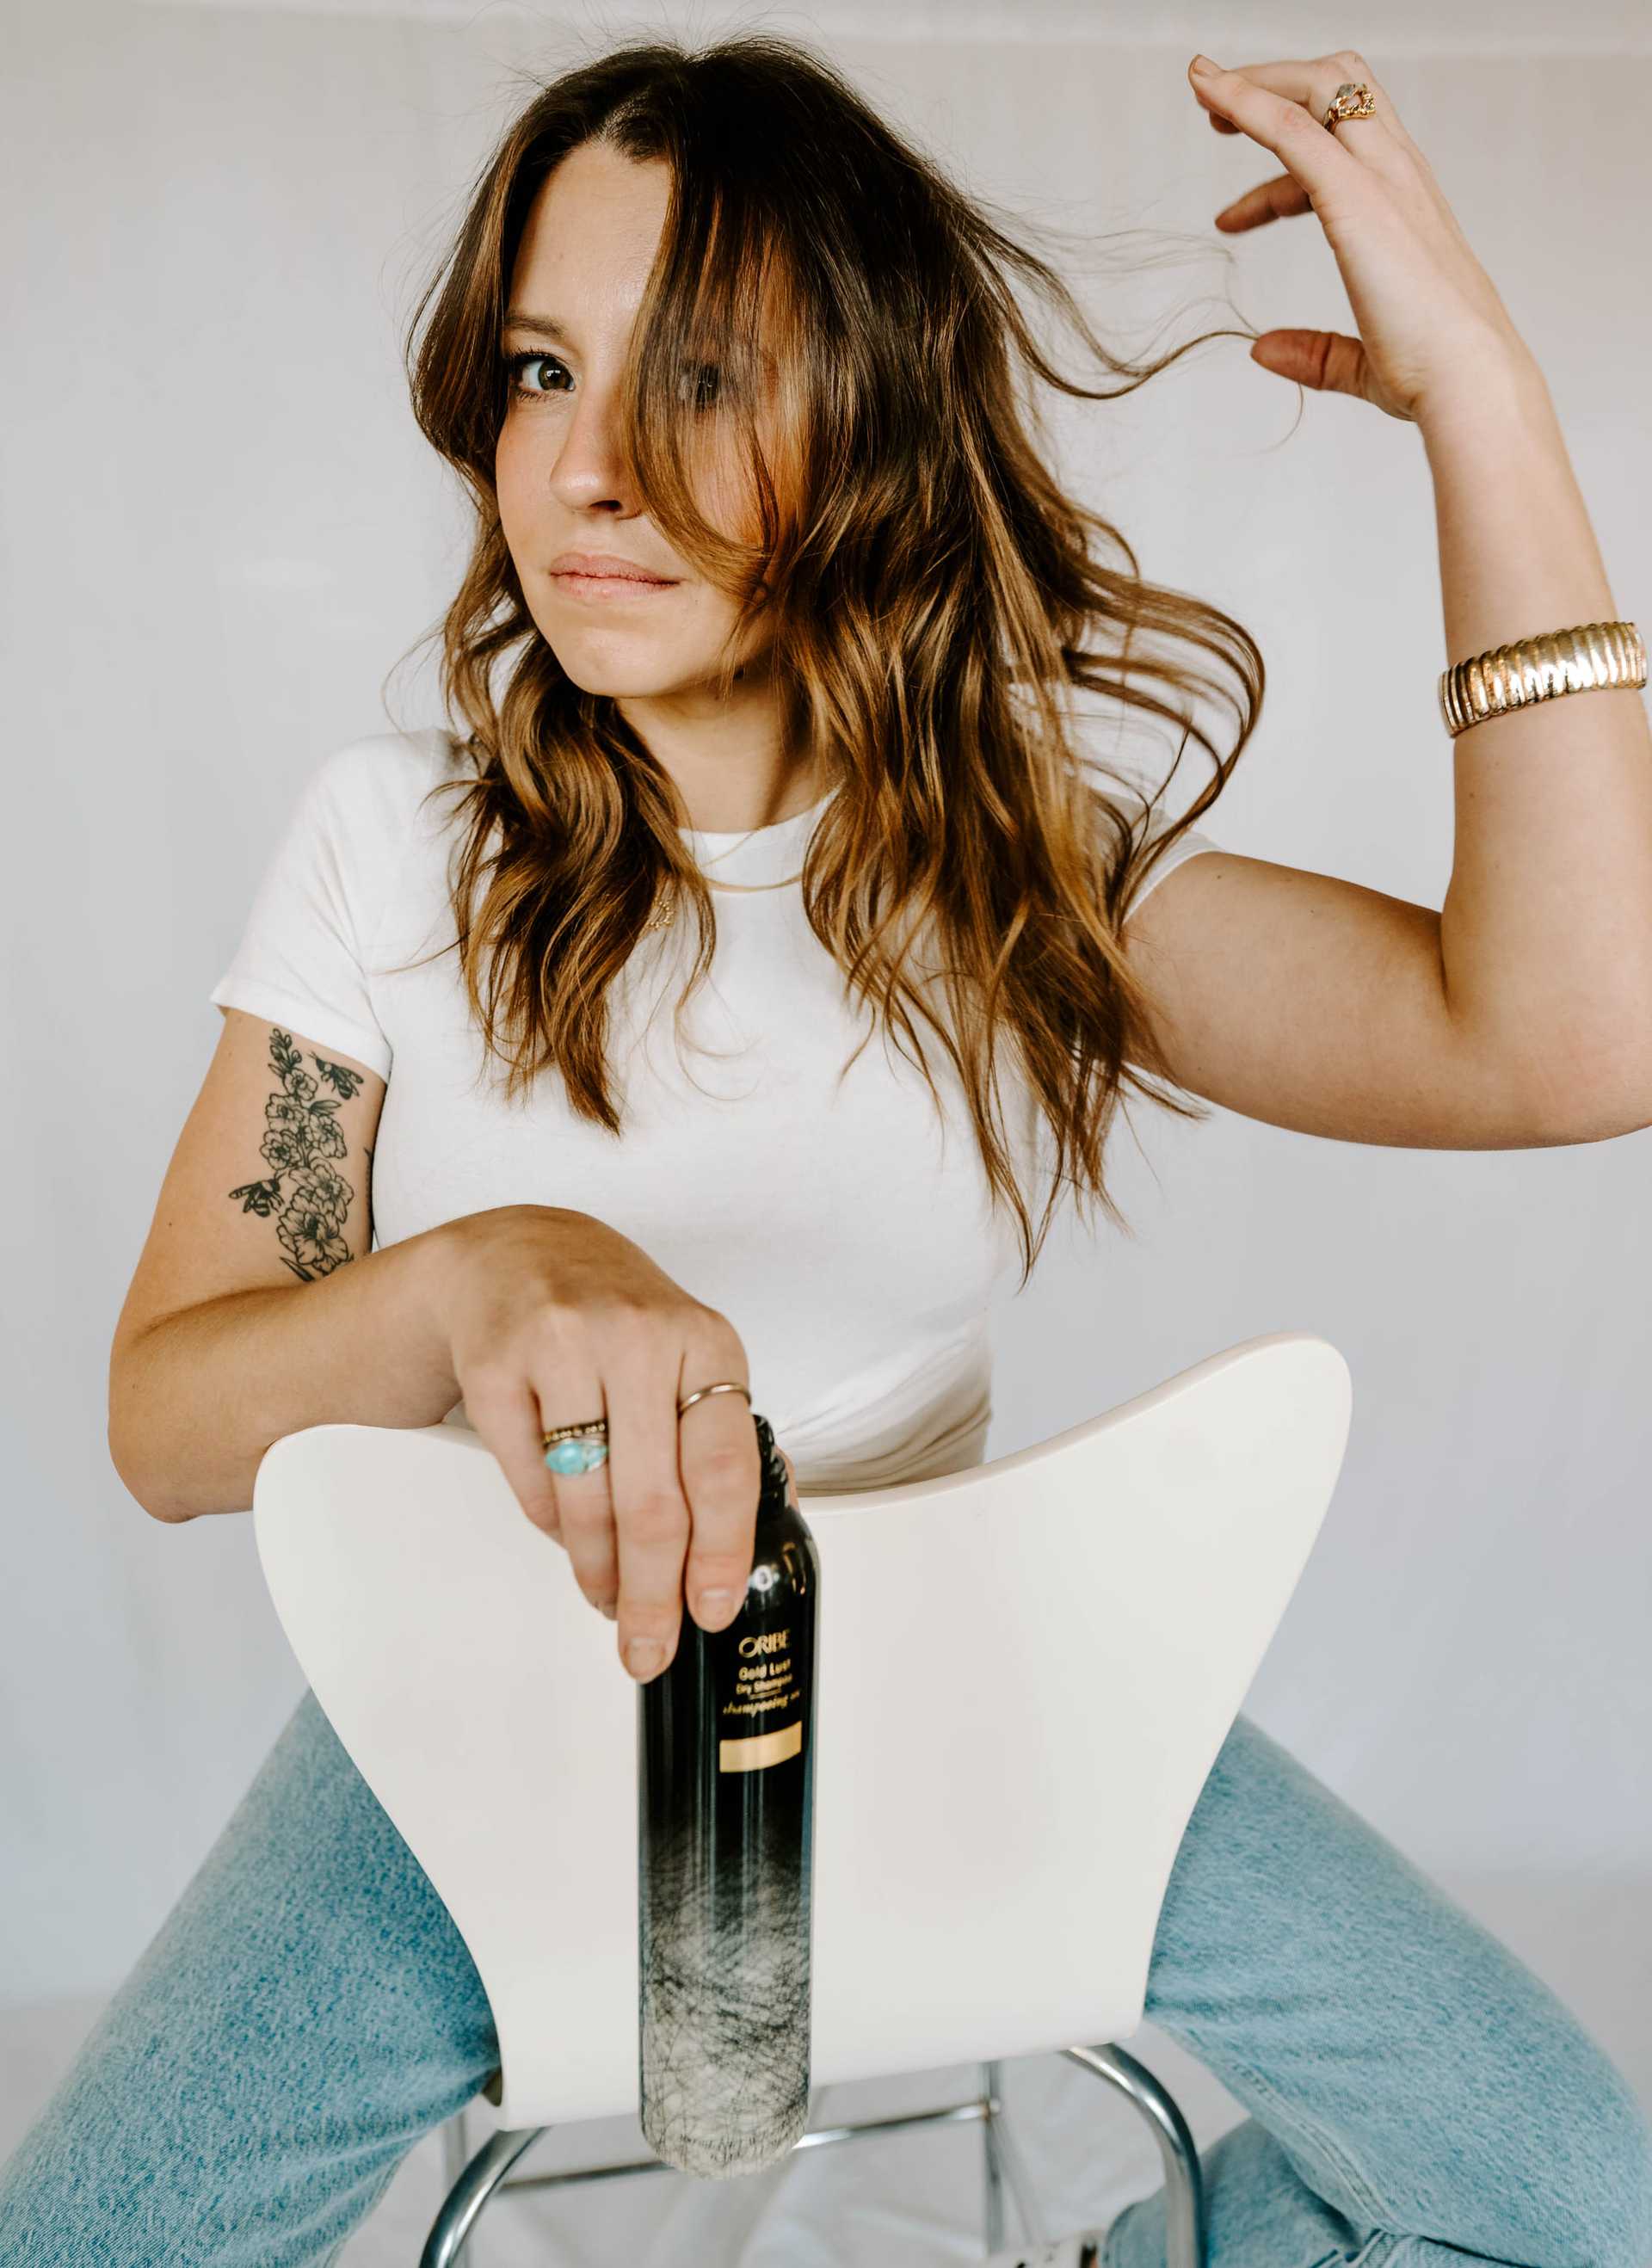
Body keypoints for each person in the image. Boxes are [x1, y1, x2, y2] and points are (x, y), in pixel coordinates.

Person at [6, 30, 1651, 2268]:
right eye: (537, 368)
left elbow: (1571, 1037)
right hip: (477, 1713)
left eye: (695, 375)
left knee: (1572, 2193)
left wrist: (1482, 394)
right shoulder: (383, 855)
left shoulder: (1014, 865)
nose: (585, 470)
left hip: (963, 1682)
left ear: (864, 420)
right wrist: (480, 1267)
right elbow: (166, 1418)